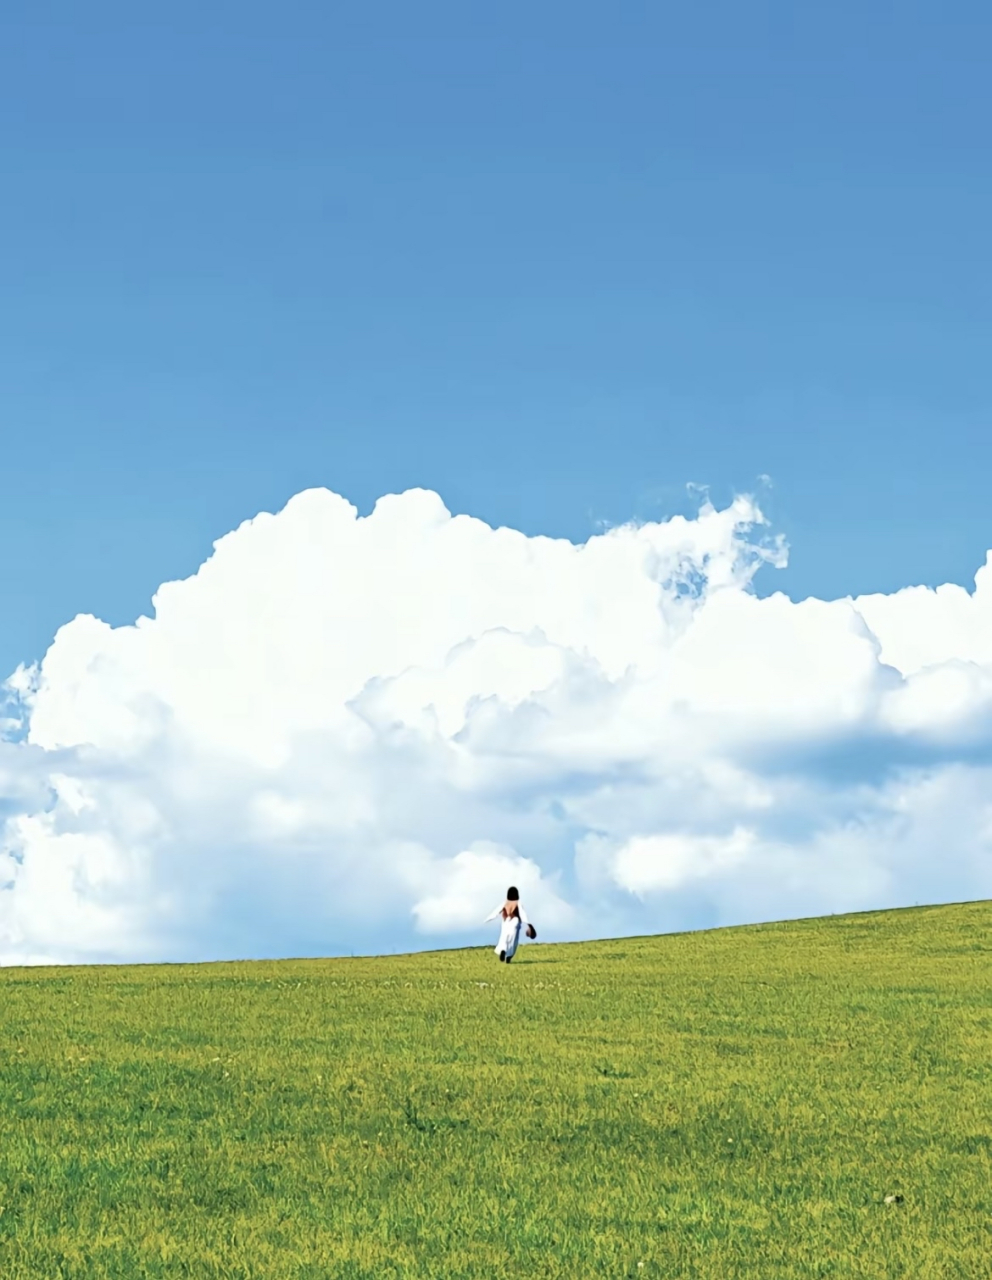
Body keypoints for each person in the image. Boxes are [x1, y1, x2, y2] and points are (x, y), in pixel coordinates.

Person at [484, 886, 535, 963]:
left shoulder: (505, 903)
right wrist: (528, 924)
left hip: (505, 922)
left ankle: (503, 950)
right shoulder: (518, 903)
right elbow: (522, 914)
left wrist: (487, 919)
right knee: (513, 940)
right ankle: (509, 957)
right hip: (515, 921)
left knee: (504, 938)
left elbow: (496, 912)